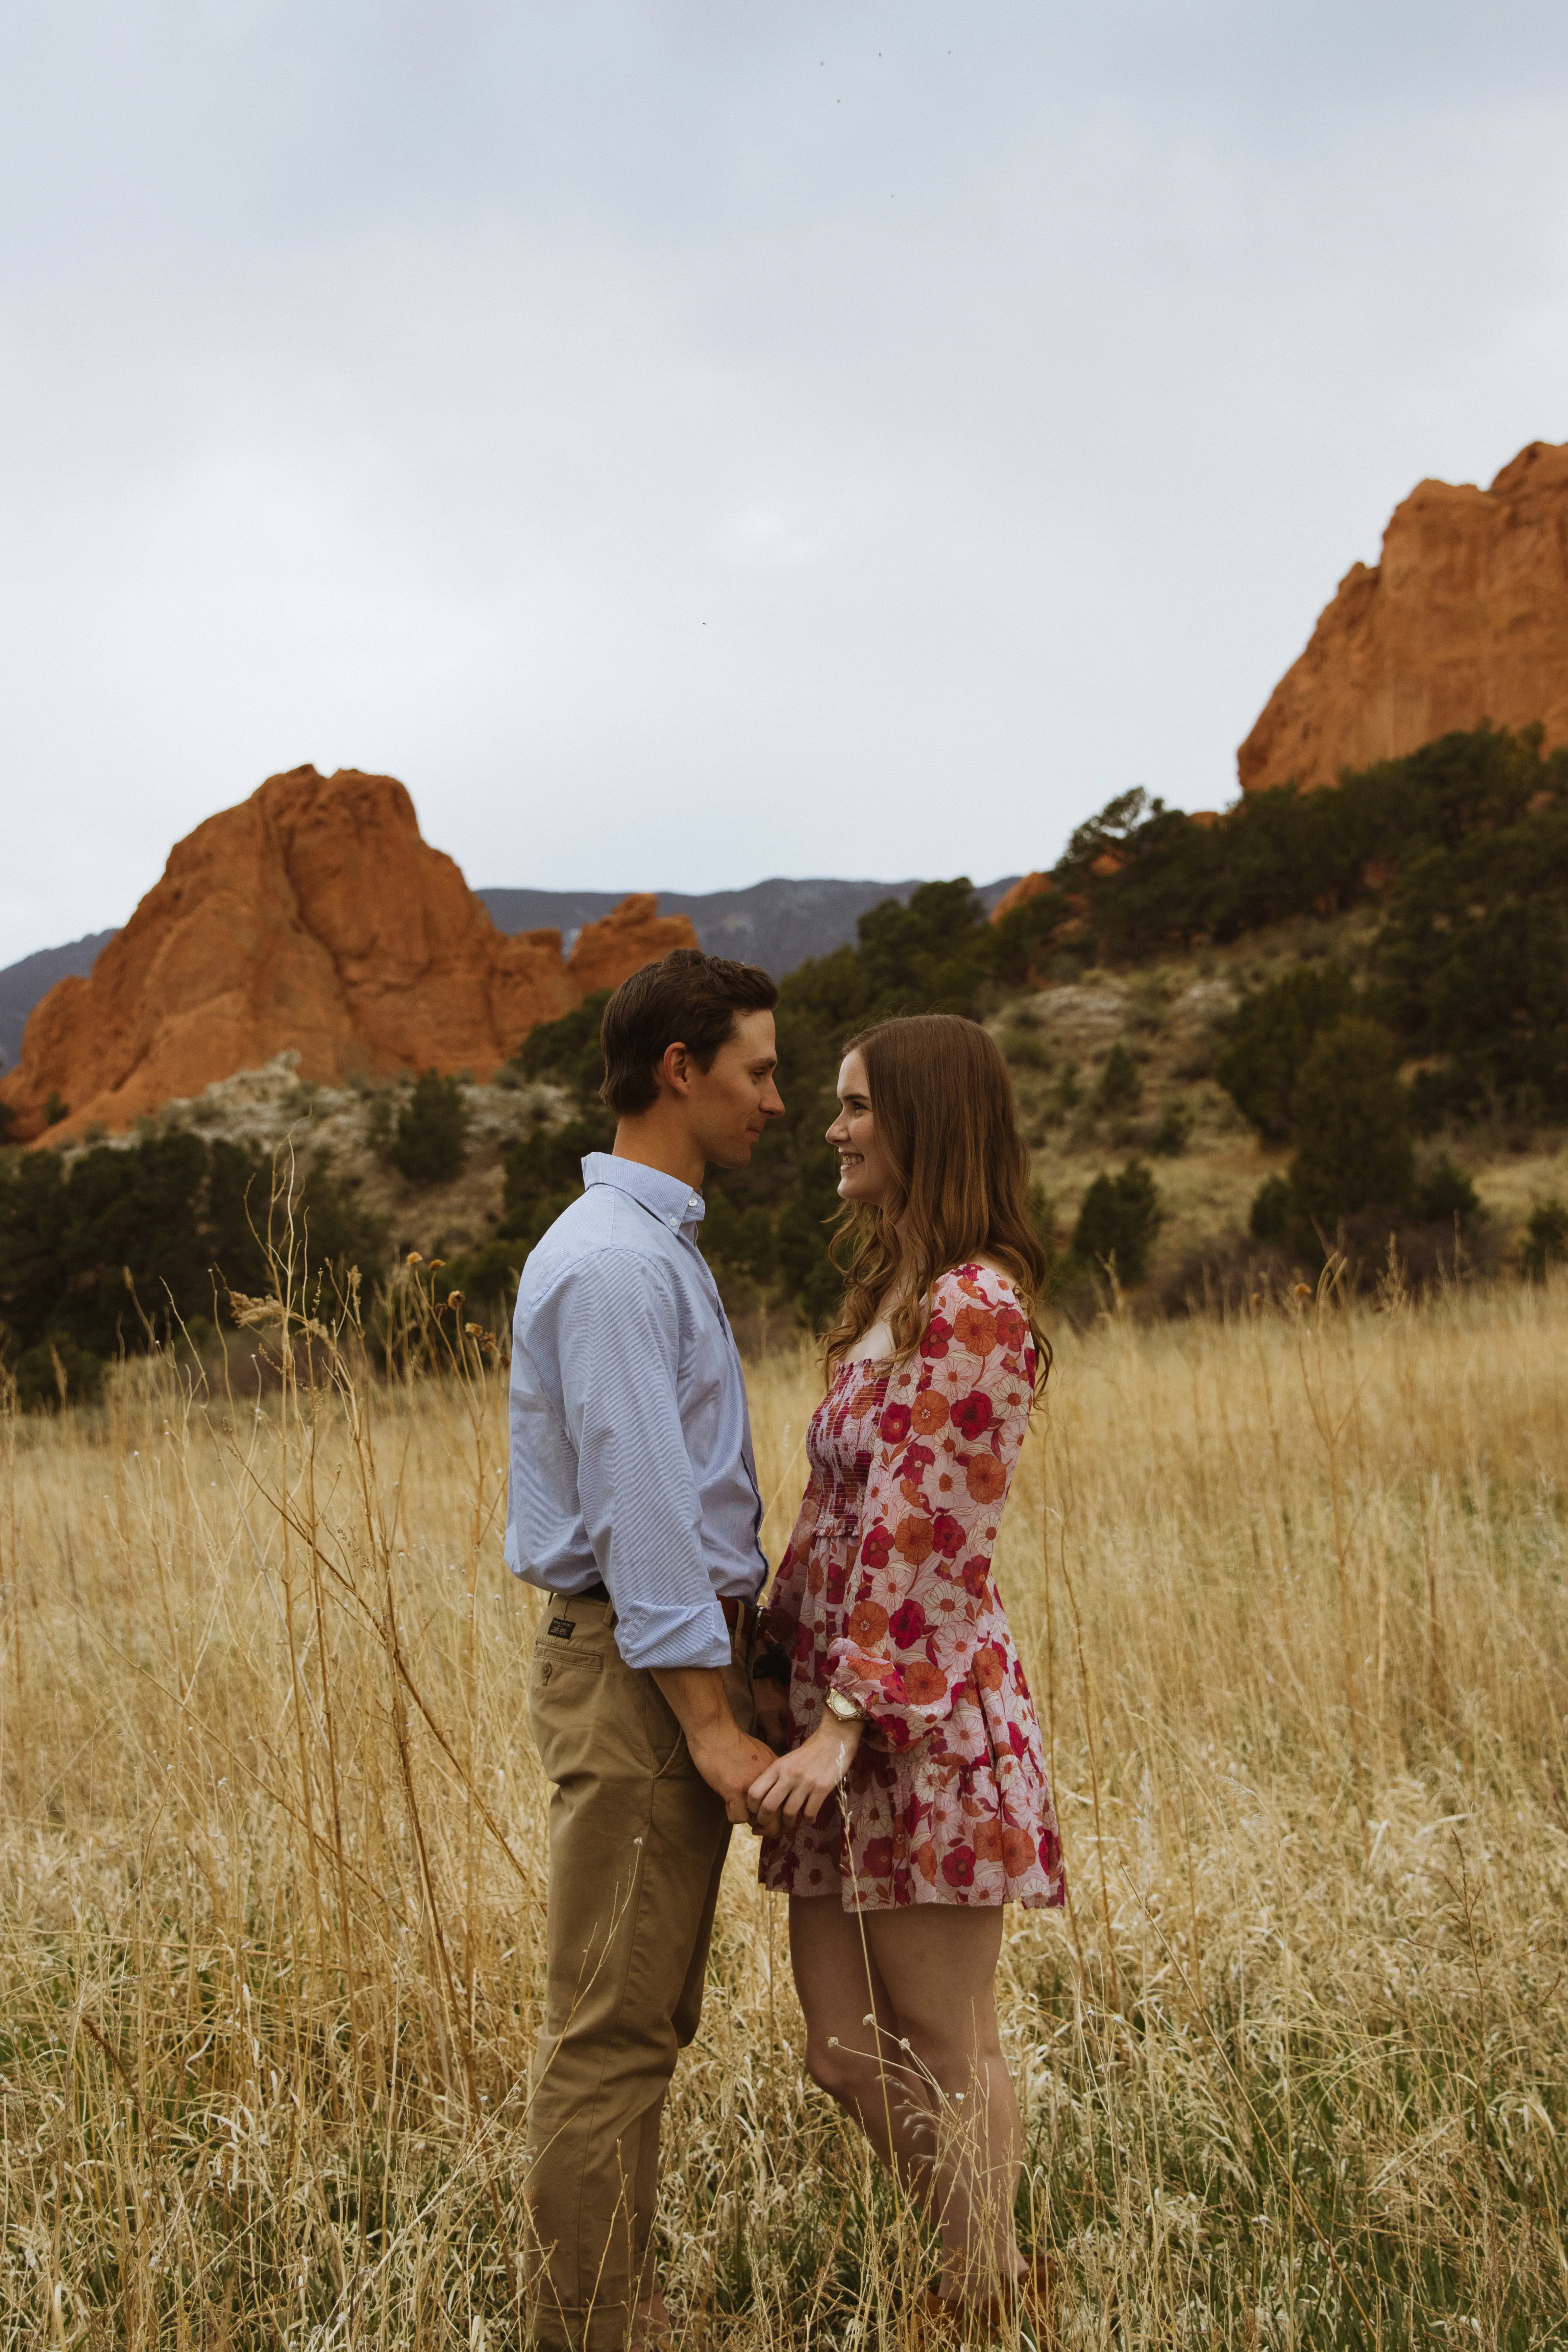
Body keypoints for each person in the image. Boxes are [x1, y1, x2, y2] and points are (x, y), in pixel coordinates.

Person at [746, 1012, 1065, 2329]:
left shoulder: (976, 1306)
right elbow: (832, 1524)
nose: (832, 1128)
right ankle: (996, 2273)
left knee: (945, 2038)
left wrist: (842, 1723)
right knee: (840, 2049)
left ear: (926, 1121)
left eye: (858, 1105)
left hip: (919, 1722)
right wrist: (770, 1679)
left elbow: (931, 1528)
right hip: (833, 1714)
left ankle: (982, 2295)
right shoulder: (894, 1297)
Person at [505, 948, 792, 2352]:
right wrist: (708, 1720)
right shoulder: (616, 1264)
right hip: (642, 1673)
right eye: (758, 1070)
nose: (777, 1102)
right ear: (679, 1071)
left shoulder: (646, 1242)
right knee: (612, 2027)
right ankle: (586, 2329)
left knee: (642, 2014)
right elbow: (641, 1511)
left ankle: (619, 2303)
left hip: (658, 1664)